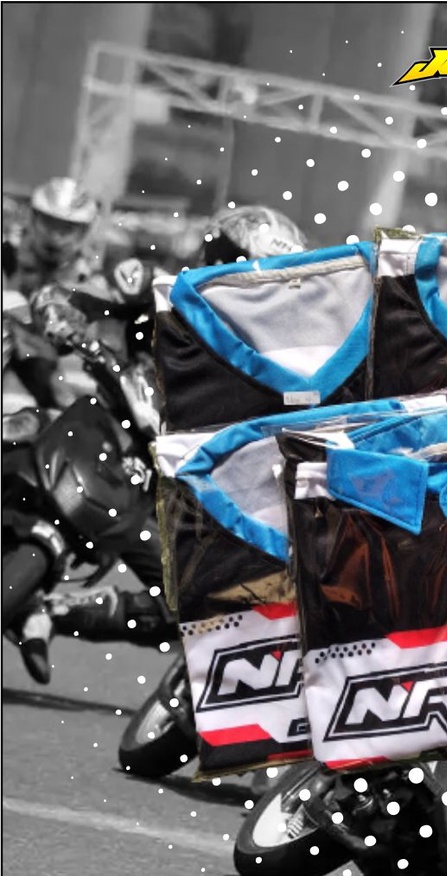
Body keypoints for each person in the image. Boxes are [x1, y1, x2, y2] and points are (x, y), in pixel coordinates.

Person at [13, 204, 308, 684]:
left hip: (160, 479)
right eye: (250, 272)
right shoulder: (156, 285)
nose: (256, 290)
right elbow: (72, 296)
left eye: (272, 281)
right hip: (102, 417)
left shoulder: (273, 362)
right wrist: (61, 312)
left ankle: (54, 613)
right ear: (220, 256)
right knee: (16, 427)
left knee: (193, 598)